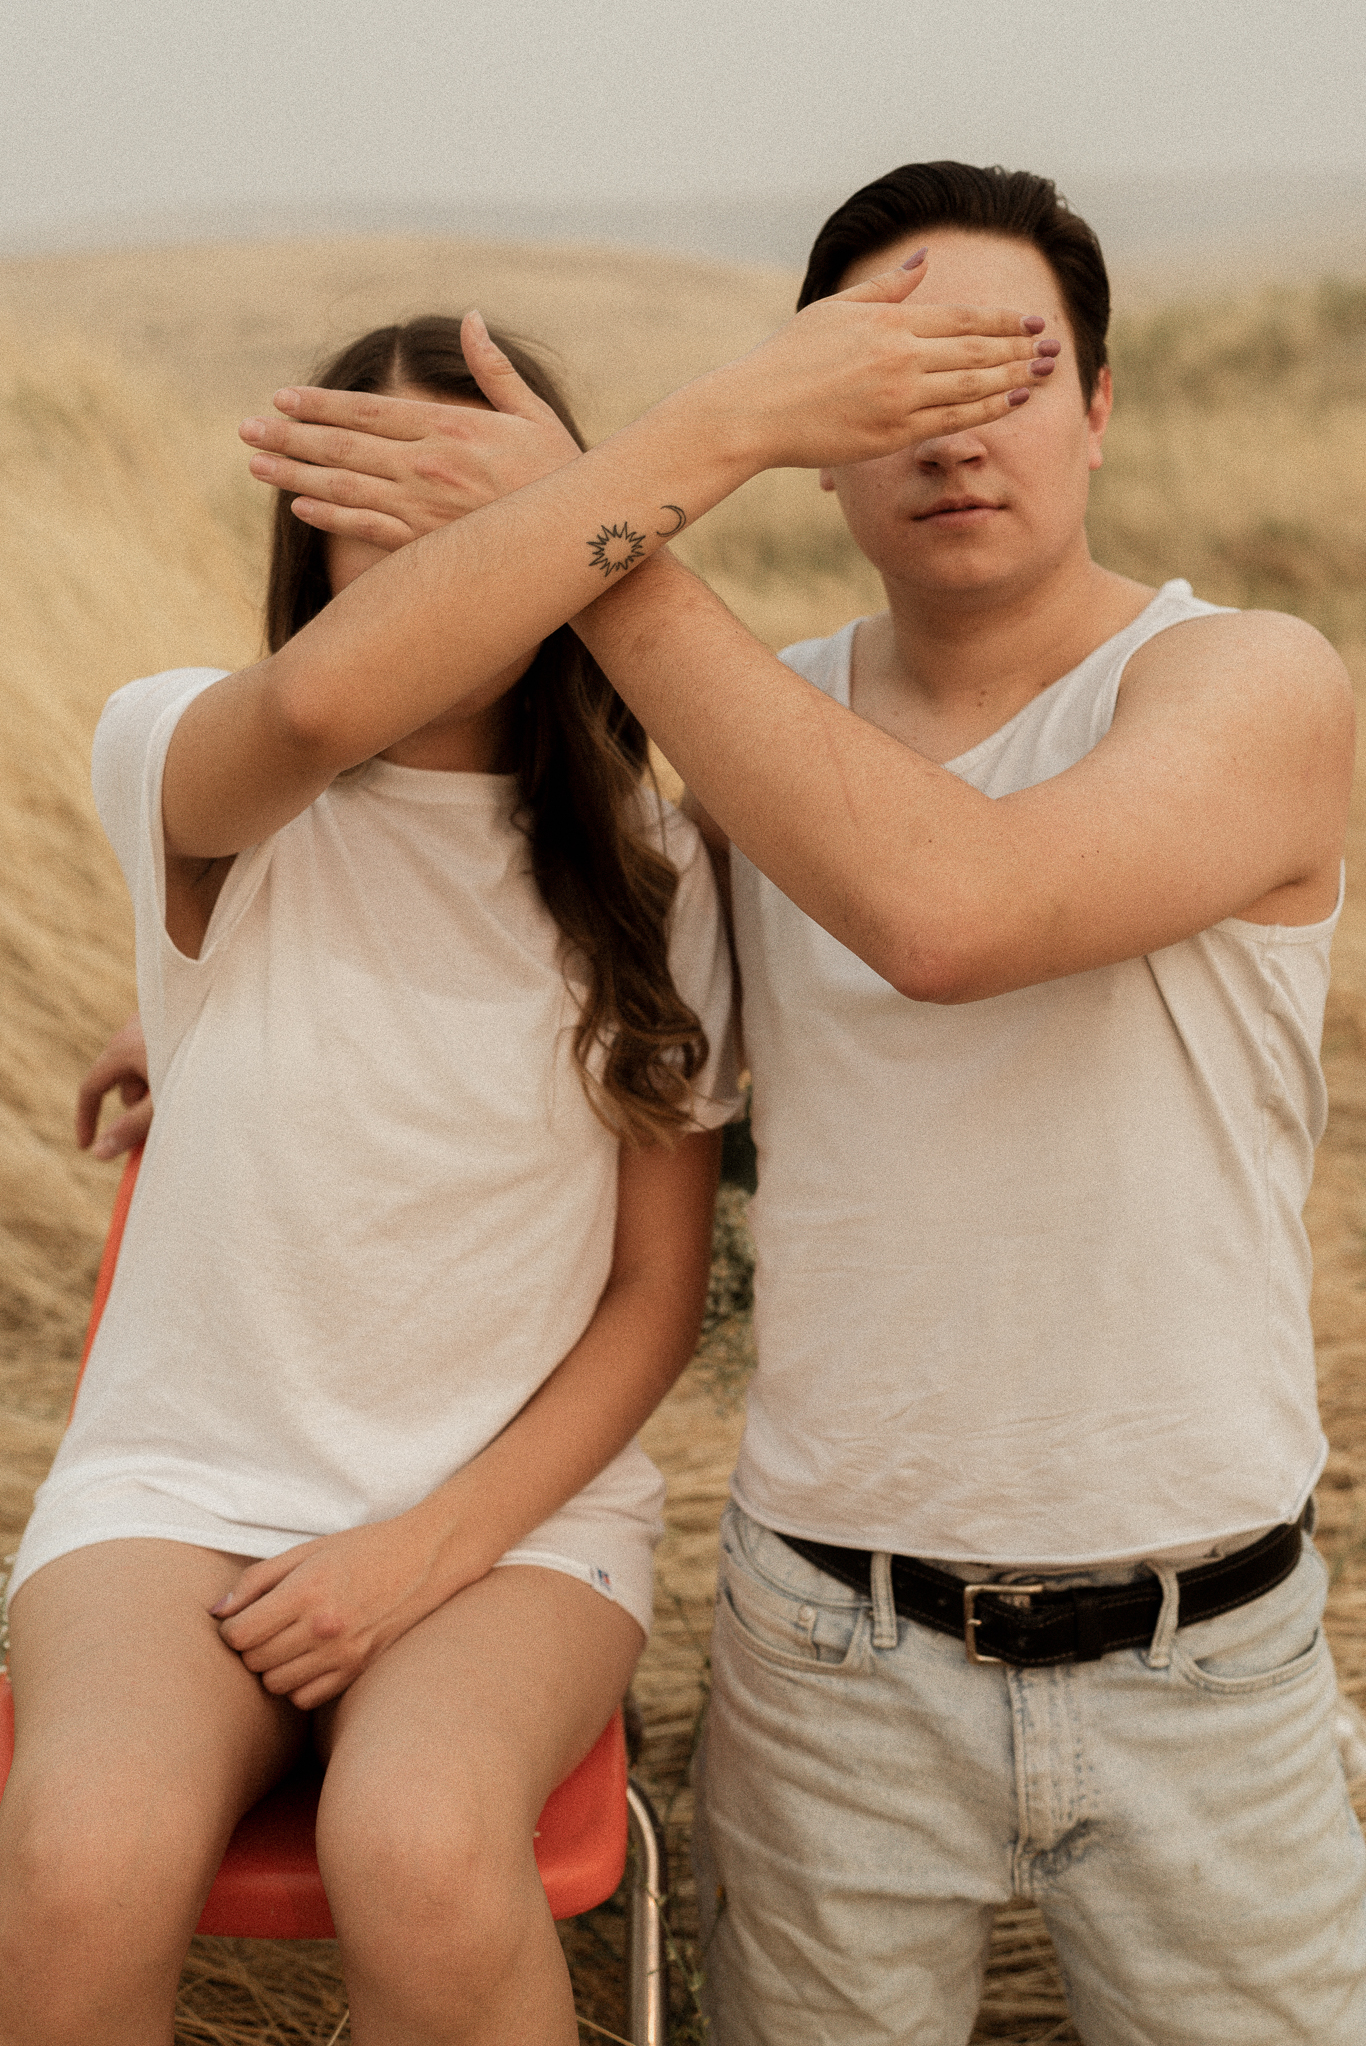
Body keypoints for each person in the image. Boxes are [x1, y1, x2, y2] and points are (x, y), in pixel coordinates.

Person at [87, 160, 1366, 2043]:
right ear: (825, 452)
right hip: (827, 1656)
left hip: (1202, 1654)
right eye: (891, 376)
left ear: (1098, 411)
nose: (950, 424)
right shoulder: (735, 759)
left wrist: (603, 531)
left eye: (1001, 370)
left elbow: (947, 911)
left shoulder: (1251, 680)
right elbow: (584, 1004)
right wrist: (192, 1024)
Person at [1, 276, 1047, 2046]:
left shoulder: (652, 863)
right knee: (82, 1860)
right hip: (179, 1488)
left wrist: (415, 1556)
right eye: (380, 527)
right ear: (307, 548)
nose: (438, 572)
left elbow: (652, 1302)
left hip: (513, 1527)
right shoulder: (179, 750)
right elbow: (324, 717)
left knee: (418, 1847)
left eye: (482, 522)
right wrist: (710, 428)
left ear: (581, 545)